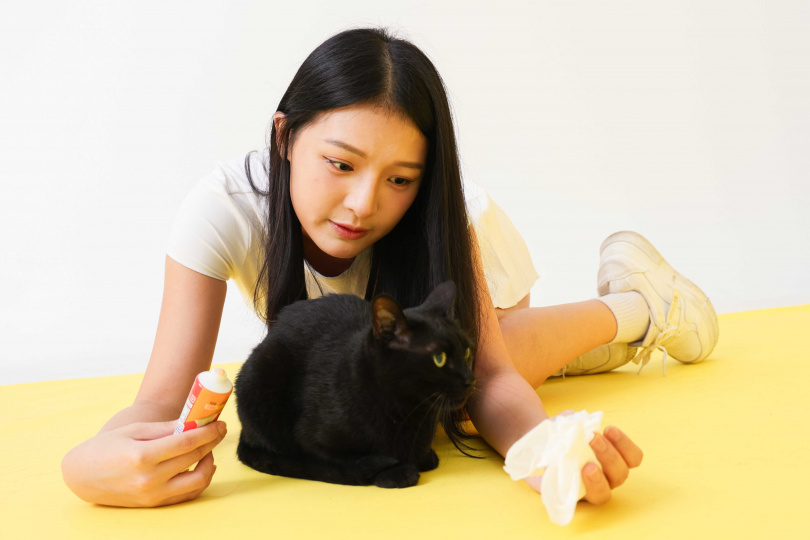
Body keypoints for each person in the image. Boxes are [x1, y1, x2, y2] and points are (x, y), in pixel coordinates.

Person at [61, 26, 718, 509]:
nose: (363, 204)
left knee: (478, 378)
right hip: (378, 348)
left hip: (458, 288)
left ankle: (644, 304)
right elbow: (161, 396)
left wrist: (543, 452)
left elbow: (490, 380)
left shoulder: (444, 216)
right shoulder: (222, 209)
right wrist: (82, 465)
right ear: (286, 136)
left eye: (401, 178)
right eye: (341, 164)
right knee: (413, 383)